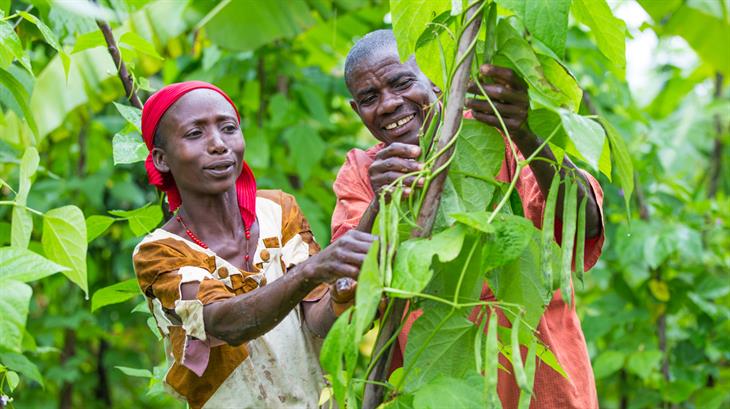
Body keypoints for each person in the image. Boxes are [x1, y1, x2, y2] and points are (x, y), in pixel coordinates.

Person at [331, 30, 604, 409]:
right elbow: (351, 290)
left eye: (401, 83)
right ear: (356, 110)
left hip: (541, 379)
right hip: (438, 386)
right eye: (369, 98)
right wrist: (381, 203)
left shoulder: (498, 131)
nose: (389, 104)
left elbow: (584, 223)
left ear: (435, 78)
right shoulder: (363, 172)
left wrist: (526, 133)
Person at [132, 81, 374, 409]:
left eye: (229, 128)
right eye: (194, 134)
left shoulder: (279, 211)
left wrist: (343, 291)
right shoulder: (160, 252)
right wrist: (313, 270)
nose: (218, 144)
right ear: (161, 159)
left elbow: (316, 323)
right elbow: (228, 324)